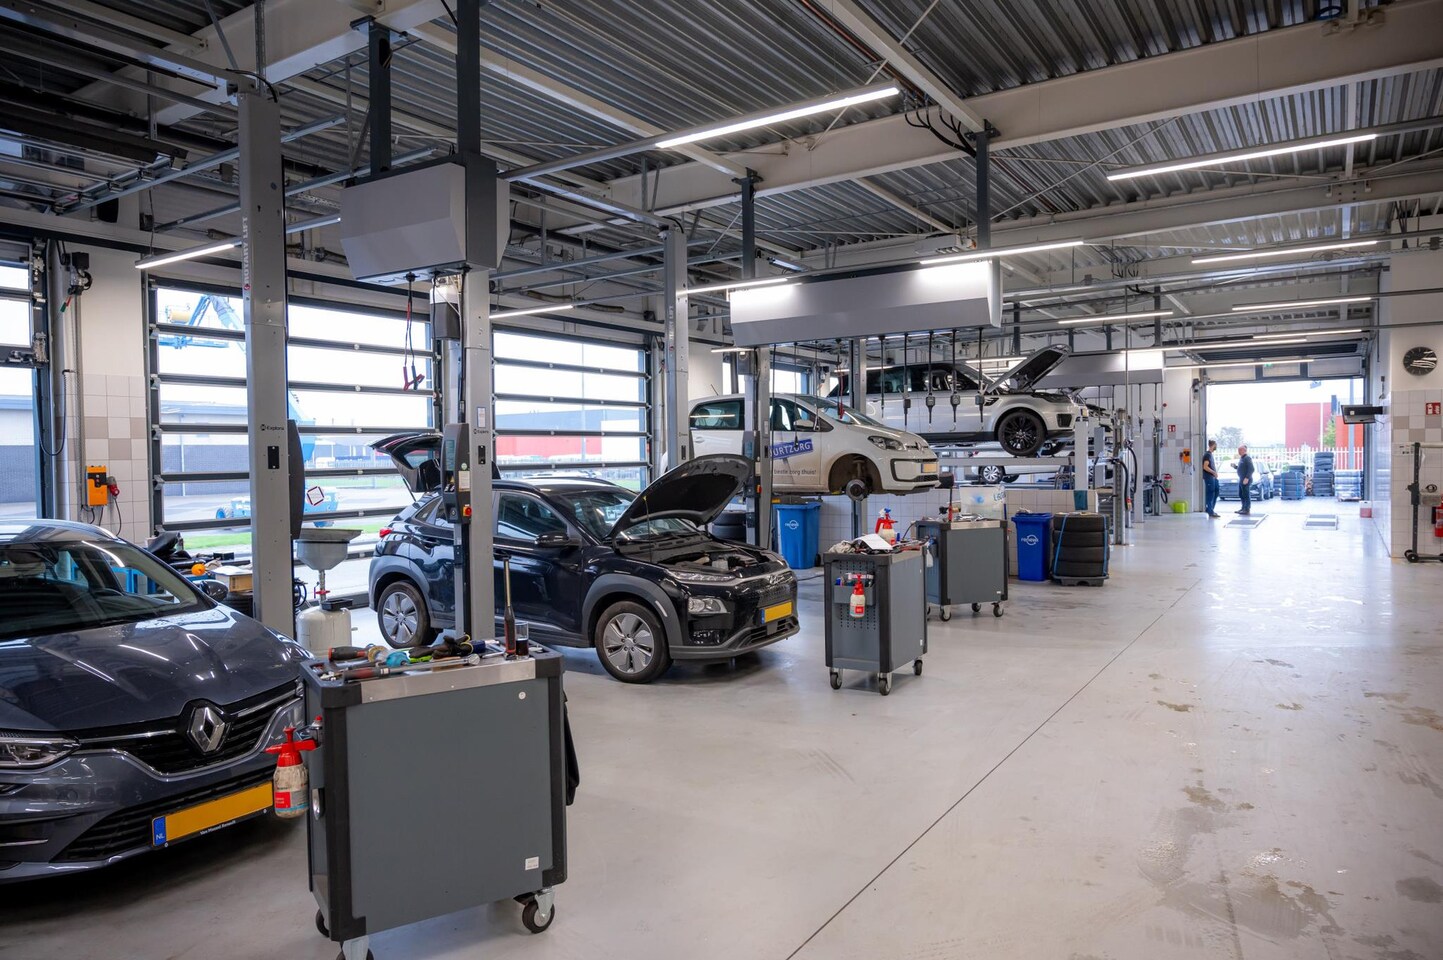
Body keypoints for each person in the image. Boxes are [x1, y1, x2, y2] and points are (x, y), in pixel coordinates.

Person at [1201, 440, 1221, 518]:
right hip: (1209, 477)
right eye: (1216, 445)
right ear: (1213, 445)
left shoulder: (1210, 455)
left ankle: (1211, 509)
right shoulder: (1207, 455)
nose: (1216, 446)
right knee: (1210, 494)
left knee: (1216, 491)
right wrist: (1213, 472)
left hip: (1213, 478)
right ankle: (1210, 510)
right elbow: (1205, 467)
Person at [1235, 444, 1256, 515]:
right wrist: (1235, 467)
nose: (1239, 451)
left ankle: (1247, 509)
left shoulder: (1247, 458)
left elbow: (1251, 469)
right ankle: (1243, 508)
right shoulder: (1242, 458)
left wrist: (1247, 478)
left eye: (1240, 450)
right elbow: (1242, 468)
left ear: (1244, 450)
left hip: (1245, 480)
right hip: (1241, 479)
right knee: (1241, 494)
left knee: (1246, 494)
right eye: (1238, 450)